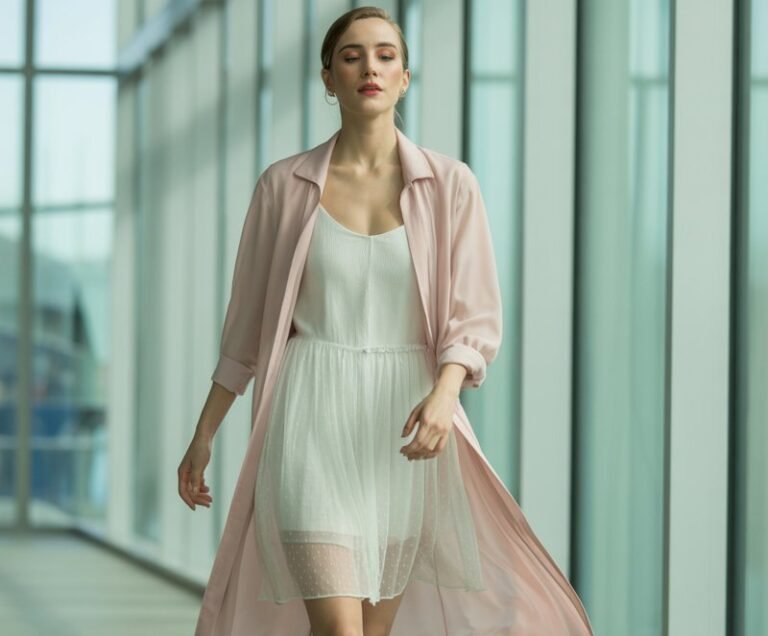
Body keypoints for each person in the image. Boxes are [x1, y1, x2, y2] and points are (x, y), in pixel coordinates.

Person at [180, 6, 594, 636]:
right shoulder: (283, 187)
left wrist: (445, 394)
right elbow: (245, 331)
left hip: (404, 433)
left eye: (385, 55)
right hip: (310, 420)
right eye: (351, 57)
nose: (368, 68)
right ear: (328, 77)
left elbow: (474, 316)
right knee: (340, 630)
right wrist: (204, 434)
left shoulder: (451, 185)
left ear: (404, 77)